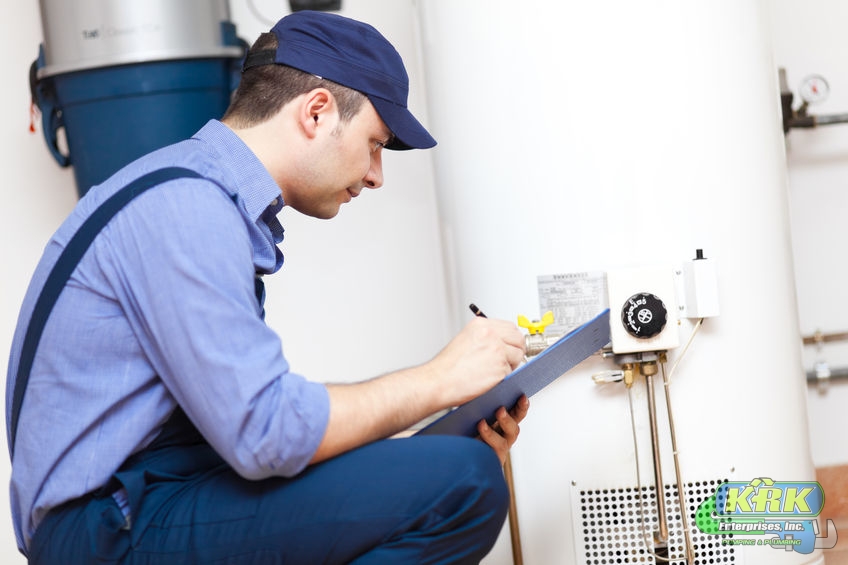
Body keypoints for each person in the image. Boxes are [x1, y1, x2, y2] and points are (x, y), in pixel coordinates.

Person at [6, 10, 530, 565]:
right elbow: (266, 432)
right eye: (375, 143)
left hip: (145, 506)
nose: (377, 174)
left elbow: (254, 437)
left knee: (450, 473)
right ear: (317, 111)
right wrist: (440, 380)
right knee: (465, 482)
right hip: (105, 529)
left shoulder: (189, 192)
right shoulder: (186, 207)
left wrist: (422, 463)